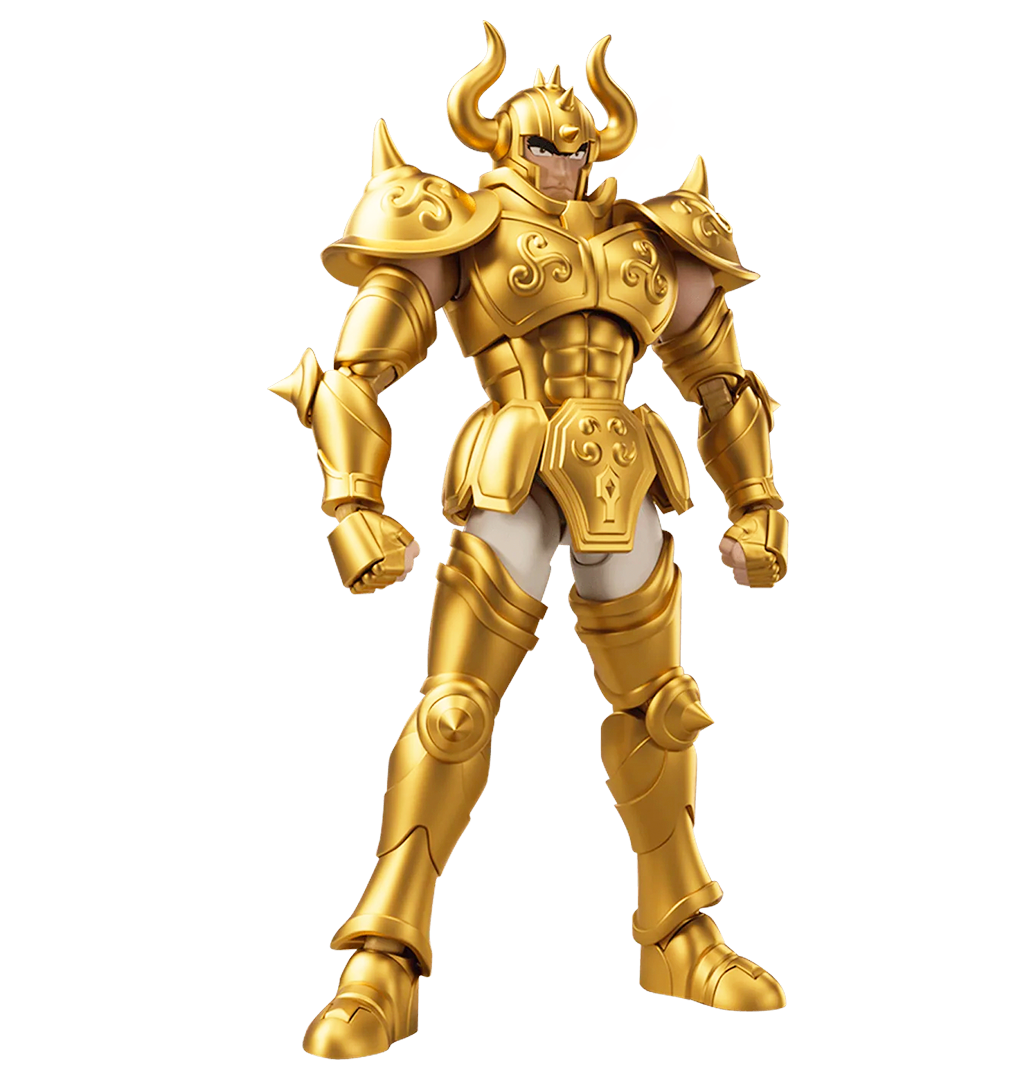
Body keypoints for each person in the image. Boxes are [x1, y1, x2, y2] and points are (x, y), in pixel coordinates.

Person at [272, 23, 790, 1059]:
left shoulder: (653, 240)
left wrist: (758, 504)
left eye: (577, 142)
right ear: (501, 142)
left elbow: (724, 383)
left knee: (664, 711)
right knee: (455, 711)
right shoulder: (460, 224)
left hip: (629, 474)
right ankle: (383, 956)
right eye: (543, 143)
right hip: (512, 466)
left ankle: (678, 934)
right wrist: (353, 502)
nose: (563, 157)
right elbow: (358, 371)